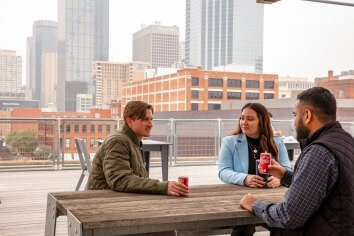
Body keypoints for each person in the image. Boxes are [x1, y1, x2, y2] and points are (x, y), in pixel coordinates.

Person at [240, 87, 354, 235]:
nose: (294, 122)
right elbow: (322, 186)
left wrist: (254, 204)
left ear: (307, 115)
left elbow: (289, 216)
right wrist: (285, 175)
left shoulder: (319, 151)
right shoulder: (346, 140)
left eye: (295, 115)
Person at [218, 103, 292, 236]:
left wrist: (278, 179)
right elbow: (223, 171)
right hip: (241, 197)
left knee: (285, 225)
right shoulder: (230, 141)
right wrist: (245, 179)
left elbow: (286, 168)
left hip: (271, 197)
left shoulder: (277, 141)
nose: (244, 122)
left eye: (250, 119)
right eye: (242, 118)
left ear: (262, 121)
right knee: (244, 226)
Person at [88, 101, 188, 197]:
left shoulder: (132, 141)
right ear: (129, 121)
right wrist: (163, 187)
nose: (150, 124)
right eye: (145, 119)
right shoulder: (118, 141)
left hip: (118, 198)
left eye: (151, 119)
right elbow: (120, 181)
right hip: (104, 200)